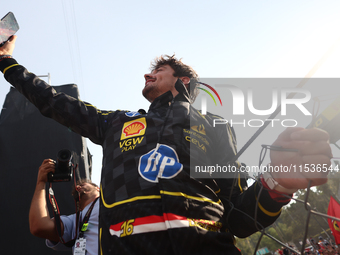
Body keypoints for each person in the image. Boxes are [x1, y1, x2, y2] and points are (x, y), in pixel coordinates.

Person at [1, 36, 332, 254]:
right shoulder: (115, 122)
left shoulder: (215, 126)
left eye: (158, 70)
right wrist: (6, 62)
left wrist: (274, 187)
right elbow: (54, 102)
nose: (147, 76)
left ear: (183, 80)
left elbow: (238, 219)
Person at [29, 159, 99, 255]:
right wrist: (41, 182)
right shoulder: (75, 221)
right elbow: (39, 227)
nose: (79, 186)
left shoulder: (112, 200)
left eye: (83, 184)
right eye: (77, 187)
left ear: (97, 188)